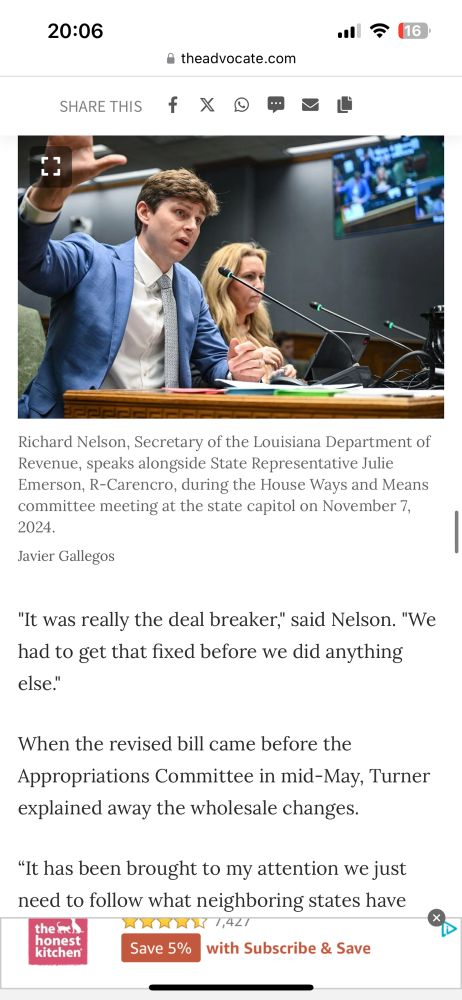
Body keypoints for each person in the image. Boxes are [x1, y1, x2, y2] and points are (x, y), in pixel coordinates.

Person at [18, 136, 266, 417]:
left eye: (198, 220)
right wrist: (50, 188)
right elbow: (29, 261)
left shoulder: (189, 288)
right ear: (144, 212)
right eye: (180, 213)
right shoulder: (90, 259)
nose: (191, 227)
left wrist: (237, 370)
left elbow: (215, 362)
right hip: (75, 420)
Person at [201, 243, 297, 381]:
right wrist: (251, 362)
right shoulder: (207, 328)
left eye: (261, 277)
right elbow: (197, 381)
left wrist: (283, 374)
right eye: (249, 276)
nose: (259, 285)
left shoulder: (259, 328)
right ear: (223, 282)